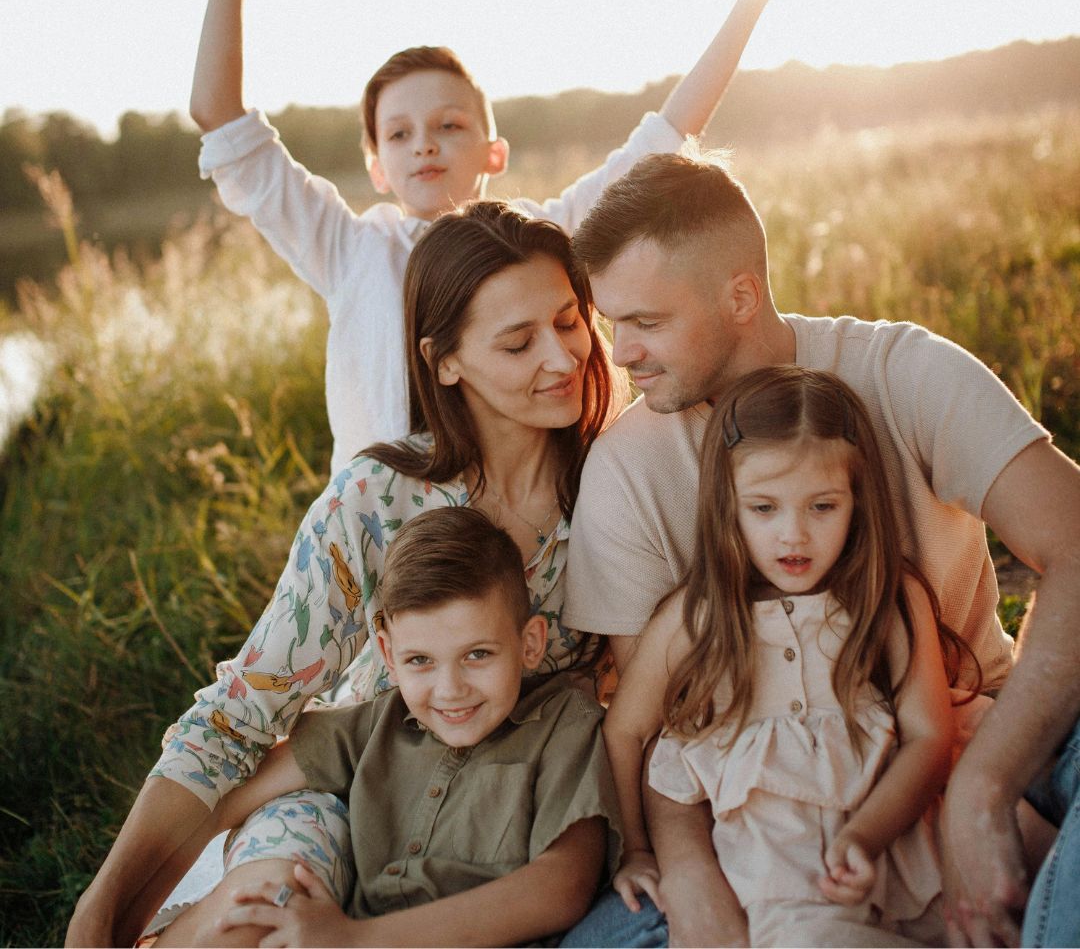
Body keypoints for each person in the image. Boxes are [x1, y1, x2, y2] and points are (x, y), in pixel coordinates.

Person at [561, 150, 1080, 947]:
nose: (619, 352)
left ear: (741, 295)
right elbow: (664, 725)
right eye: (610, 324)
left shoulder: (904, 370)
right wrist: (690, 870)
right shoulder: (628, 470)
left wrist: (982, 787)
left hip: (983, 746)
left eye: (647, 322)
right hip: (764, 827)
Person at [66, 202, 618, 947]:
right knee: (256, 921)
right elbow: (237, 717)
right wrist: (99, 911)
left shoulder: (618, 493)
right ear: (444, 360)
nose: (562, 358)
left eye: (569, 321)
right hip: (342, 787)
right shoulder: (377, 500)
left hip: (511, 809)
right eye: (519, 343)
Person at [190, 0, 792, 475]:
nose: (424, 145)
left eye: (449, 125)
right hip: (395, 532)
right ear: (377, 167)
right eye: (400, 134)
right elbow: (222, 121)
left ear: (494, 153)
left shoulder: (545, 240)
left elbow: (667, 135)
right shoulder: (349, 249)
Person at [602, 365, 989, 947]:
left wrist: (866, 835)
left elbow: (930, 736)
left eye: (822, 507)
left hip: (899, 839)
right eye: (764, 509)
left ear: (858, 502)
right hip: (781, 861)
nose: (794, 536)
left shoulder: (887, 598)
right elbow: (625, 731)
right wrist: (637, 850)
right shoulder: (698, 616)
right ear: (725, 505)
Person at [145, 506, 621, 947]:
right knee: (246, 918)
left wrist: (354, 940)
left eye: (478, 654)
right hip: (347, 932)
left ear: (530, 643)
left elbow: (561, 887)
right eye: (421, 661)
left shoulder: (564, 723)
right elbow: (226, 802)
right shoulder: (382, 723)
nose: (450, 689)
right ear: (390, 657)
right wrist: (135, 895)